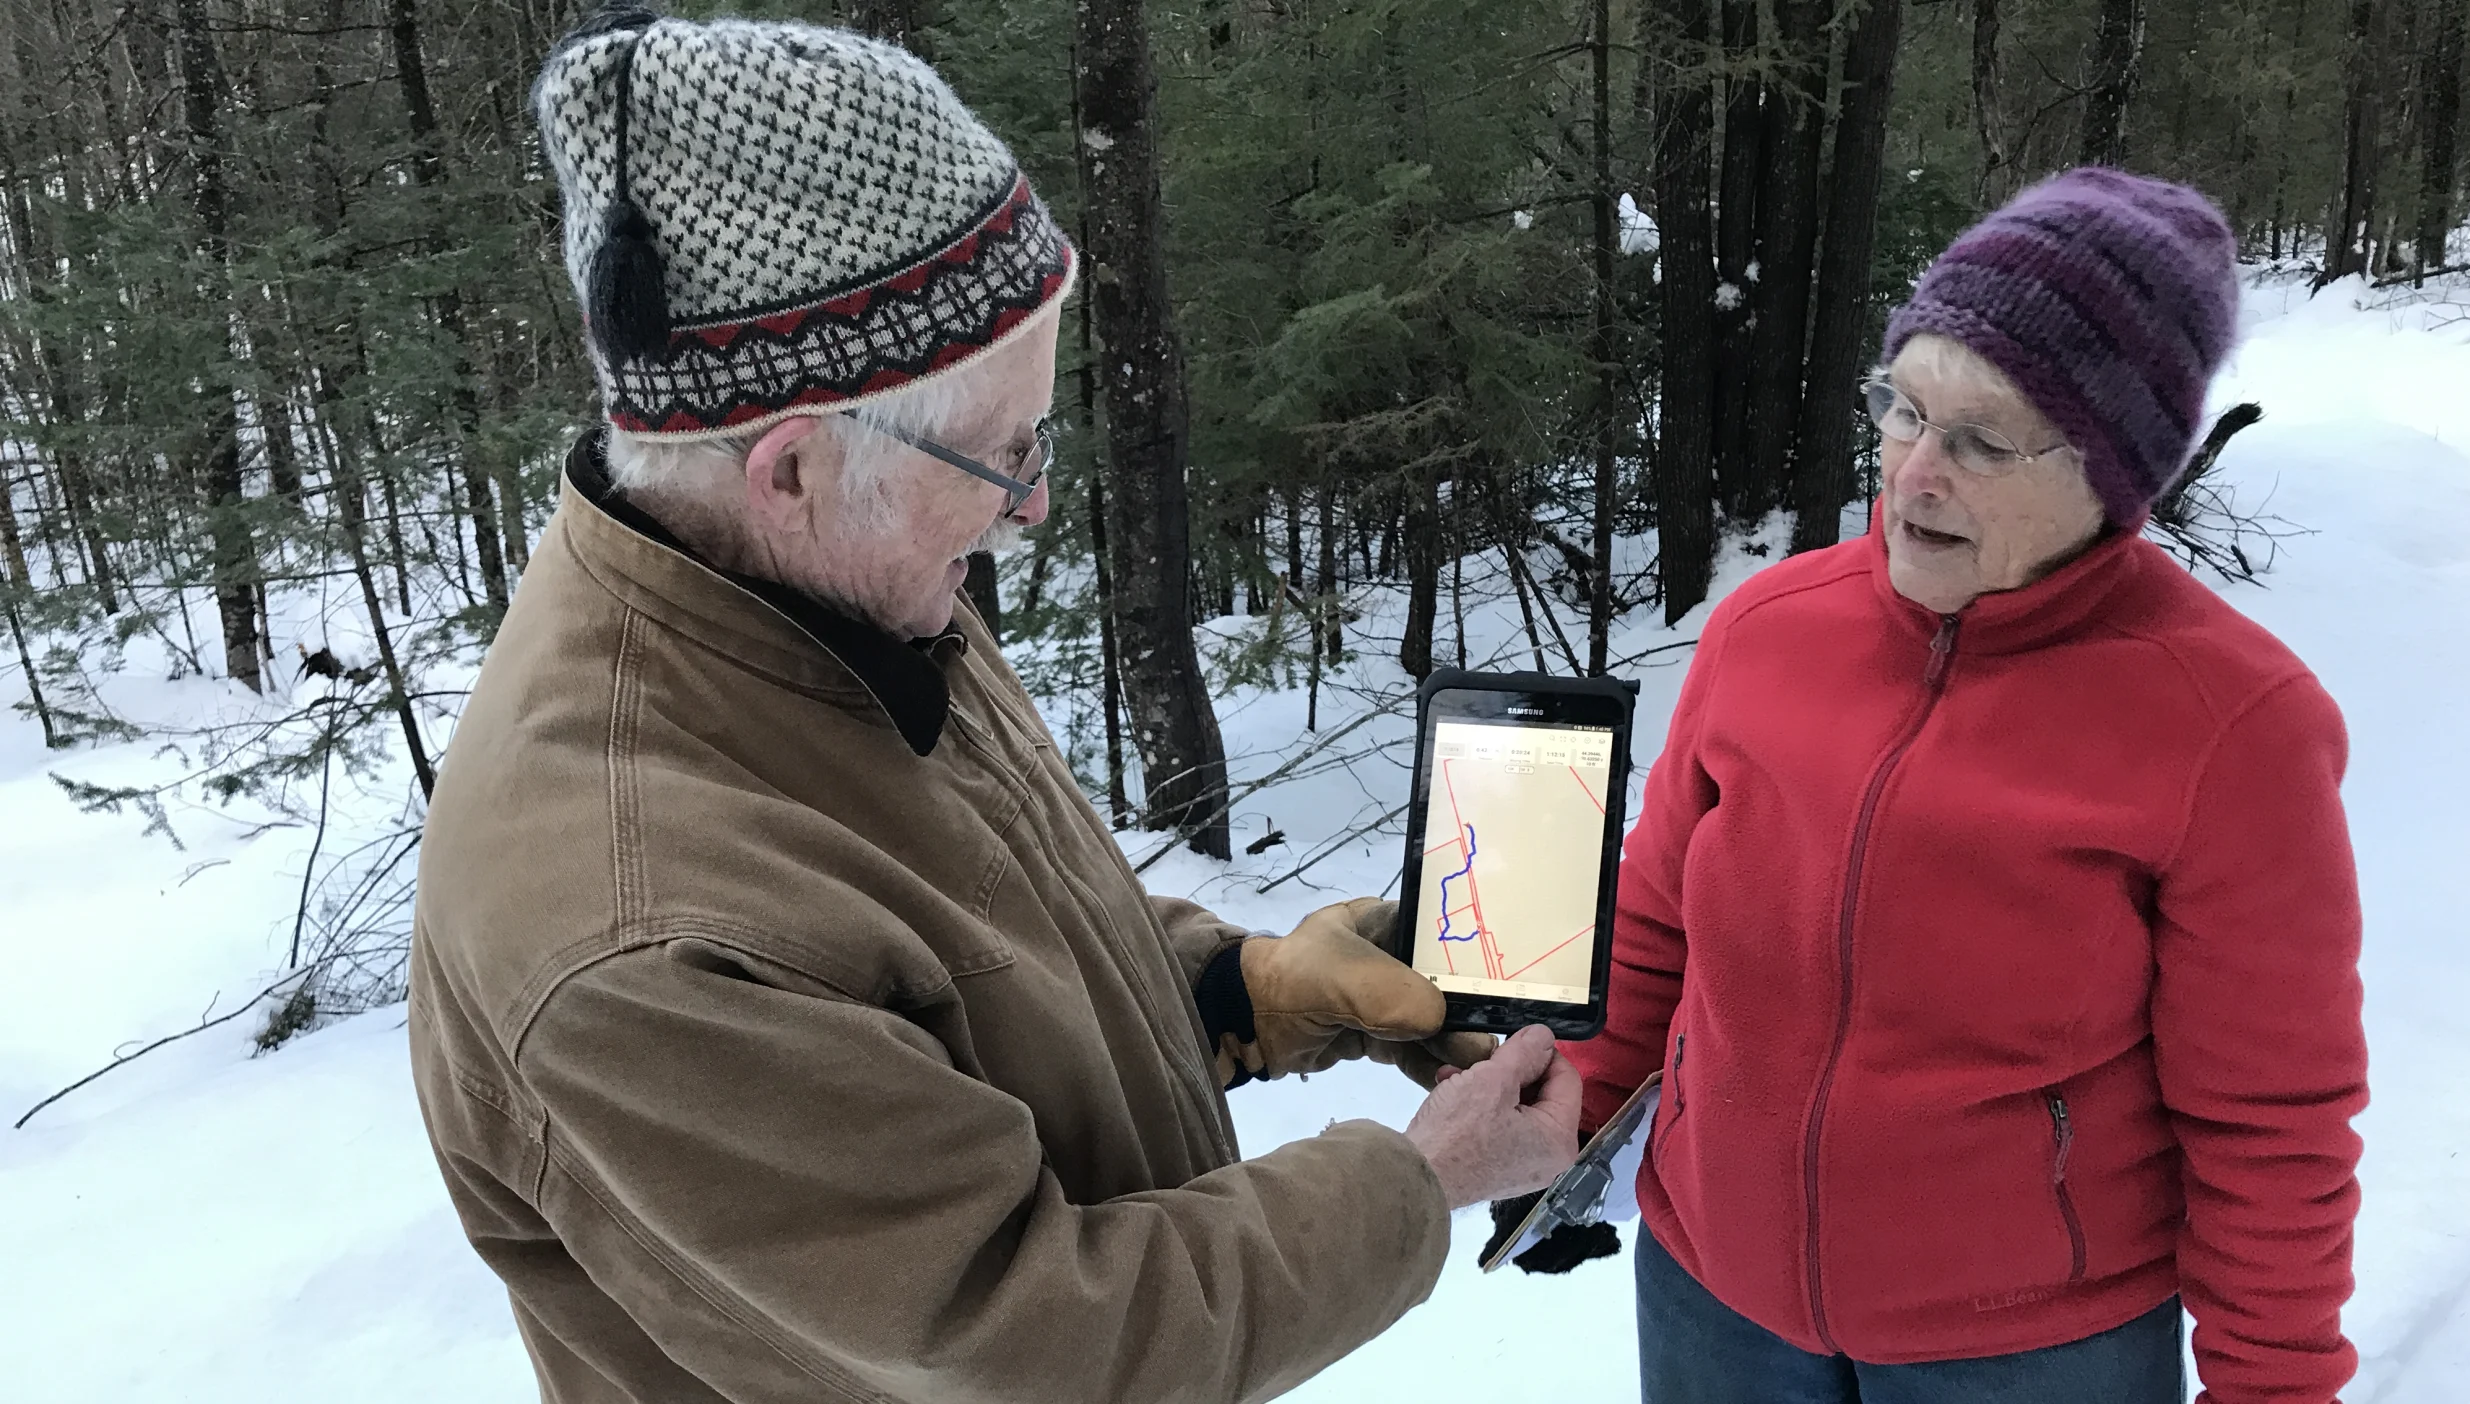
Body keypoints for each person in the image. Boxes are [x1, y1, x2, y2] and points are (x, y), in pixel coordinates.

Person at [407, 10, 1580, 1402]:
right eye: (1001, 456)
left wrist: (1231, 987)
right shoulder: (637, 943)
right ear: (787, 468)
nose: (1027, 507)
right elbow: (1033, 1341)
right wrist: (1420, 1179)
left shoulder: (826, 588)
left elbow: (961, 942)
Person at [1513, 169, 2367, 1403]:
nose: (1914, 475)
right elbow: (1655, 930)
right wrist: (1569, 1144)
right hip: (1714, 1300)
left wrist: (2272, 1388)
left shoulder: (2233, 725)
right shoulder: (1766, 629)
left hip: (2035, 1350)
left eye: (1981, 440)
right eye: (1904, 411)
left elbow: (2271, 1126)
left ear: (2118, 473)